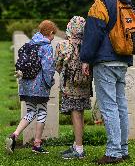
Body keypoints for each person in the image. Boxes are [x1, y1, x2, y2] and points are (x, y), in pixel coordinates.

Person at [80, 0, 133, 165]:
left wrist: (86, 58)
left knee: (109, 106)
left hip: (105, 61)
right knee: (121, 105)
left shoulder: (100, 3)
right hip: (123, 59)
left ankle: (113, 152)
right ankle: (123, 149)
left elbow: (93, 34)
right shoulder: (126, 1)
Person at [5, 20, 57, 154]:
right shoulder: (46, 46)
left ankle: (14, 135)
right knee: (42, 112)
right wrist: (49, 82)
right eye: (53, 35)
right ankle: (37, 144)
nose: (53, 38)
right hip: (39, 86)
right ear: (50, 33)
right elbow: (48, 68)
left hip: (25, 84)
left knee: (31, 112)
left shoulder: (30, 43)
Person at [54, 16, 92, 159]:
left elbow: (57, 66)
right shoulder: (88, 45)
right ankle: (77, 144)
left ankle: (79, 150)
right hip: (85, 84)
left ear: (69, 28)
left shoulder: (63, 45)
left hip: (70, 86)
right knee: (80, 113)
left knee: (75, 114)